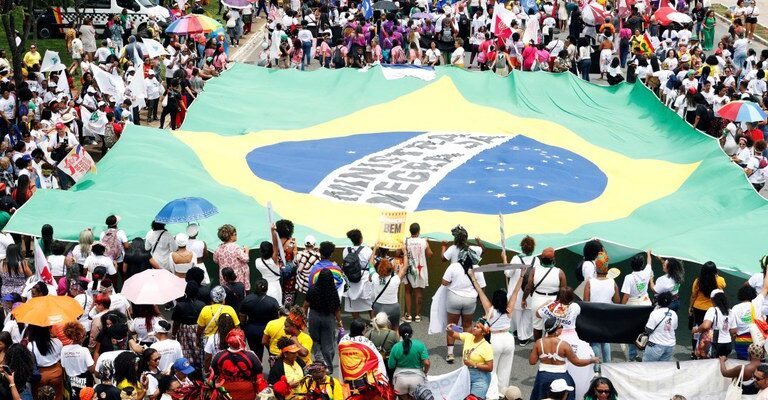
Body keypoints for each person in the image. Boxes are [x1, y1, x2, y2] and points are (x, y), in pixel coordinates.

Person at [469, 266, 514, 400]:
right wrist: (522, 275)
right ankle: (502, 392)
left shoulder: (490, 309)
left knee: (491, 369)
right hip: (508, 338)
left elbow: (480, 291)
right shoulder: (509, 310)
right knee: (505, 368)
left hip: (494, 338)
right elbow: (516, 291)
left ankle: (491, 393)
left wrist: (472, 276)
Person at [529, 317, 600, 400]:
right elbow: (577, 362)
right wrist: (592, 360)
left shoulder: (539, 343)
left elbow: (532, 361)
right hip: (561, 376)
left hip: (543, 377)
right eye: (561, 327)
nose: (562, 329)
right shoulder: (564, 345)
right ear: (556, 330)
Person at [522, 247, 567, 341]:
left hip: (537, 299)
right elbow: (563, 291)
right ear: (553, 259)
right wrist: (559, 303)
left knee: (537, 326)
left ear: (541, 259)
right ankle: (550, 348)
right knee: (553, 325)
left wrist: (523, 299)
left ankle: (538, 348)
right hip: (553, 301)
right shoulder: (560, 272)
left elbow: (528, 288)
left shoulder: (534, 270)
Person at [211, 329, 266, 400]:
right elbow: (259, 373)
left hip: (225, 393)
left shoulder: (218, 356)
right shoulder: (251, 356)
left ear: (228, 341)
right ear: (242, 340)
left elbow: (213, 374)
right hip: (247, 393)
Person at [304, 269, 342, 372]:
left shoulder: (312, 289)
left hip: (314, 317)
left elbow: (305, 305)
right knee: (328, 343)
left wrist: (304, 318)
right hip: (328, 318)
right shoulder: (333, 292)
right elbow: (337, 310)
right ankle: (328, 366)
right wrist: (339, 322)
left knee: (315, 340)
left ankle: (319, 362)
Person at [583, 251, 618, 362]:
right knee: (605, 341)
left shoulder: (589, 282)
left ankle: (596, 367)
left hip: (593, 316)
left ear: (596, 268)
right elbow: (617, 302)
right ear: (607, 268)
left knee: (595, 342)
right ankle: (608, 365)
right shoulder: (613, 282)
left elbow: (585, 302)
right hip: (607, 316)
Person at [445, 319, 493, 399]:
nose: (474, 328)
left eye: (477, 327)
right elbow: (452, 334)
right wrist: (448, 329)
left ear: (483, 332)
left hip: (480, 378)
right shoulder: (468, 336)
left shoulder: (486, 346)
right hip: (466, 375)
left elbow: (490, 367)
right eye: (474, 326)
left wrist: (473, 364)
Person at [620, 251, 654, 361]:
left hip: (633, 307)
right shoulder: (646, 272)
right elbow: (649, 263)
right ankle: (646, 355)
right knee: (644, 331)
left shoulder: (629, 277)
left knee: (632, 331)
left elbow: (626, 295)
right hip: (646, 305)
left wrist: (620, 308)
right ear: (641, 265)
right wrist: (648, 253)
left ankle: (632, 356)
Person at [689, 261, 726, 358]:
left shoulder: (698, 281)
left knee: (697, 328)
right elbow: (722, 288)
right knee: (710, 330)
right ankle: (707, 350)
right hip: (712, 309)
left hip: (698, 308)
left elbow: (693, 296)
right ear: (715, 271)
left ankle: (694, 351)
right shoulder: (720, 280)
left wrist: (690, 307)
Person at [507, 236, 538, 346]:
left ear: (521, 247)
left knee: (517, 313)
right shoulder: (536, 260)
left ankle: (516, 332)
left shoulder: (516, 259)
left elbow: (508, 274)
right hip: (529, 293)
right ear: (533, 248)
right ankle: (523, 337)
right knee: (527, 315)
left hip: (515, 292)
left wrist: (505, 261)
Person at [240, 278, 279, 359]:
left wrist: (243, 327)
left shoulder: (247, 300)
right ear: (267, 288)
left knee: (256, 355)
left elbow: (242, 316)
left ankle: (257, 370)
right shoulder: (273, 302)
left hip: (252, 330)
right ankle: (274, 369)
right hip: (269, 331)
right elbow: (276, 319)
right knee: (272, 353)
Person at [388, 322, 429, 399]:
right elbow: (426, 363)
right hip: (417, 379)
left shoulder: (396, 347)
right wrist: (425, 372)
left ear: (399, 334)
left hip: (400, 380)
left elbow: (391, 365)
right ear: (411, 333)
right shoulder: (420, 345)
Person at [370, 247, 406, 329]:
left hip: (378, 306)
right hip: (393, 307)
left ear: (378, 269)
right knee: (395, 329)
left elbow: (371, 264)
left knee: (378, 328)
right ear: (391, 270)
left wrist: (374, 249)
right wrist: (405, 252)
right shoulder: (395, 279)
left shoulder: (375, 277)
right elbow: (405, 267)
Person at [693, 289, 736, 358]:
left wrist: (696, 330)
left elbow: (706, 326)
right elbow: (734, 330)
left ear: (713, 300)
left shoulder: (713, 310)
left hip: (715, 344)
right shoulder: (730, 312)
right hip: (727, 344)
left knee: (710, 365)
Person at [402, 222, 432, 323]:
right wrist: (427, 243)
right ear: (419, 231)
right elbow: (430, 254)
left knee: (408, 291)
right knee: (419, 293)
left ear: (410, 231)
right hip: (420, 270)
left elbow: (398, 252)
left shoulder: (405, 240)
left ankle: (409, 315)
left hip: (408, 270)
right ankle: (418, 315)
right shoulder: (423, 241)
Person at [171, 282, 205, 367]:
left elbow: (176, 323)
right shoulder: (202, 305)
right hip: (198, 329)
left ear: (185, 291)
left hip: (183, 331)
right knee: (198, 350)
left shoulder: (180, 306)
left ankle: (187, 368)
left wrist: (173, 334)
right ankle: (199, 368)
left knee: (185, 350)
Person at [27, 324, 64, 400]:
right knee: (57, 396)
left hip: (40, 375)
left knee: (39, 396)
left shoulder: (31, 345)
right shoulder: (57, 342)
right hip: (56, 373)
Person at [342, 229, 373, 320]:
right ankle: (373, 320)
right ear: (361, 239)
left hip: (351, 279)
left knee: (353, 303)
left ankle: (357, 321)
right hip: (364, 279)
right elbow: (371, 264)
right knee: (370, 302)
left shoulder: (346, 250)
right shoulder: (367, 250)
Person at [60, 322, 95, 399]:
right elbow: (92, 369)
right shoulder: (84, 350)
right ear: (82, 336)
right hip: (84, 380)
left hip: (71, 381)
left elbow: (63, 367)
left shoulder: (64, 349)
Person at [641, 292, 678, 362]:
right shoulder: (674, 314)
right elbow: (674, 328)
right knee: (662, 368)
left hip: (655, 344)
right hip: (670, 345)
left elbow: (648, 330)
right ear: (670, 302)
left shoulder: (655, 313)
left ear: (658, 302)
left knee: (647, 367)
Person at [213, 224, 250, 292]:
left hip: (224, 279)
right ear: (230, 237)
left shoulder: (218, 249)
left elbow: (215, 260)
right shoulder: (236, 247)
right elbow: (245, 259)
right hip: (236, 279)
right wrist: (247, 251)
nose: (236, 235)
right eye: (235, 234)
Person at [254, 241, 282, 306]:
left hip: (263, 287)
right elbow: (276, 247)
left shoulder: (257, 262)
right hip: (275, 288)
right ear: (272, 251)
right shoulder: (274, 262)